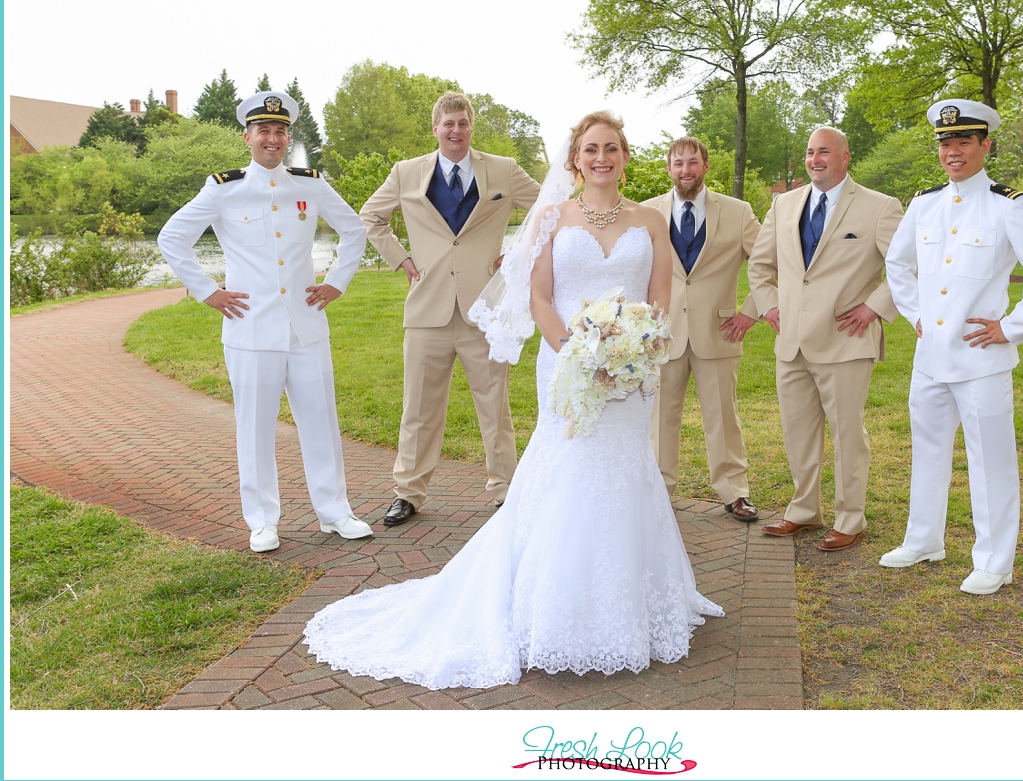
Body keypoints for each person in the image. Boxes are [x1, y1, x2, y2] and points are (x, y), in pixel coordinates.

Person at [304, 112, 722, 688]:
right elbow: (541, 296)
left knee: (626, 469)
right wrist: (579, 353)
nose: (602, 158)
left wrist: (635, 349)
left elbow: (658, 295)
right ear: (575, 159)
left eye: (612, 149)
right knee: (570, 467)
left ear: (626, 156)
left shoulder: (651, 221)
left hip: (631, 370)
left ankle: (633, 601)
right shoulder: (551, 218)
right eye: (591, 149)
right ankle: (551, 605)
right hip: (569, 363)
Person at [157, 91, 370, 553]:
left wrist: (336, 281)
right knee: (254, 427)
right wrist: (207, 290)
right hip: (250, 328)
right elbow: (172, 237)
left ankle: (334, 512)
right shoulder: (224, 187)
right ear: (248, 136)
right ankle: (262, 521)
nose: (272, 139)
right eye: (263, 131)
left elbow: (355, 230)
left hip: (306, 325)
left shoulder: (309, 184)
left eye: (280, 131)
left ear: (287, 135)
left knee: (320, 420)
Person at [880, 99, 1023, 594]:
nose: (953, 151)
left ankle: (994, 560)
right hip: (931, 358)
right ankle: (924, 540)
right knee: (928, 451)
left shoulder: (1009, 206)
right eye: (946, 142)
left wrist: (1013, 326)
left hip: (982, 357)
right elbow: (897, 266)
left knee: (991, 461)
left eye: (964, 141)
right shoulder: (924, 204)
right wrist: (916, 315)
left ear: (985, 145)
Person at [358, 92, 541, 526]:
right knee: (417, 407)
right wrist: (400, 258)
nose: (455, 131)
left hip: (485, 308)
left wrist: (517, 256)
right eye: (448, 124)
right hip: (427, 309)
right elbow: (370, 217)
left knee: (495, 406)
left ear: (470, 127)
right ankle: (408, 492)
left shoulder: (503, 170)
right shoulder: (406, 173)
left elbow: (551, 210)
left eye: (462, 123)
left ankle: (504, 491)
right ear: (435, 129)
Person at [748, 127, 903, 551]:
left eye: (824, 152)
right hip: (791, 341)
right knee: (797, 432)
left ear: (845, 157)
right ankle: (803, 511)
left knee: (848, 434)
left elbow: (909, 267)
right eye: (810, 152)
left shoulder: (880, 208)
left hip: (845, 340)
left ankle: (851, 519)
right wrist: (768, 305)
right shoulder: (784, 204)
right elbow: (761, 266)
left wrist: (875, 308)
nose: (815, 159)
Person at [645, 137, 762, 522]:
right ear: (669, 168)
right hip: (662, 333)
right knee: (660, 417)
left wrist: (749, 311)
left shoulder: (737, 211)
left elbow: (770, 264)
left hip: (719, 330)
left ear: (706, 166)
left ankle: (734, 492)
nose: (685, 171)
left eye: (692, 163)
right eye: (678, 163)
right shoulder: (647, 213)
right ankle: (659, 490)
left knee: (723, 416)